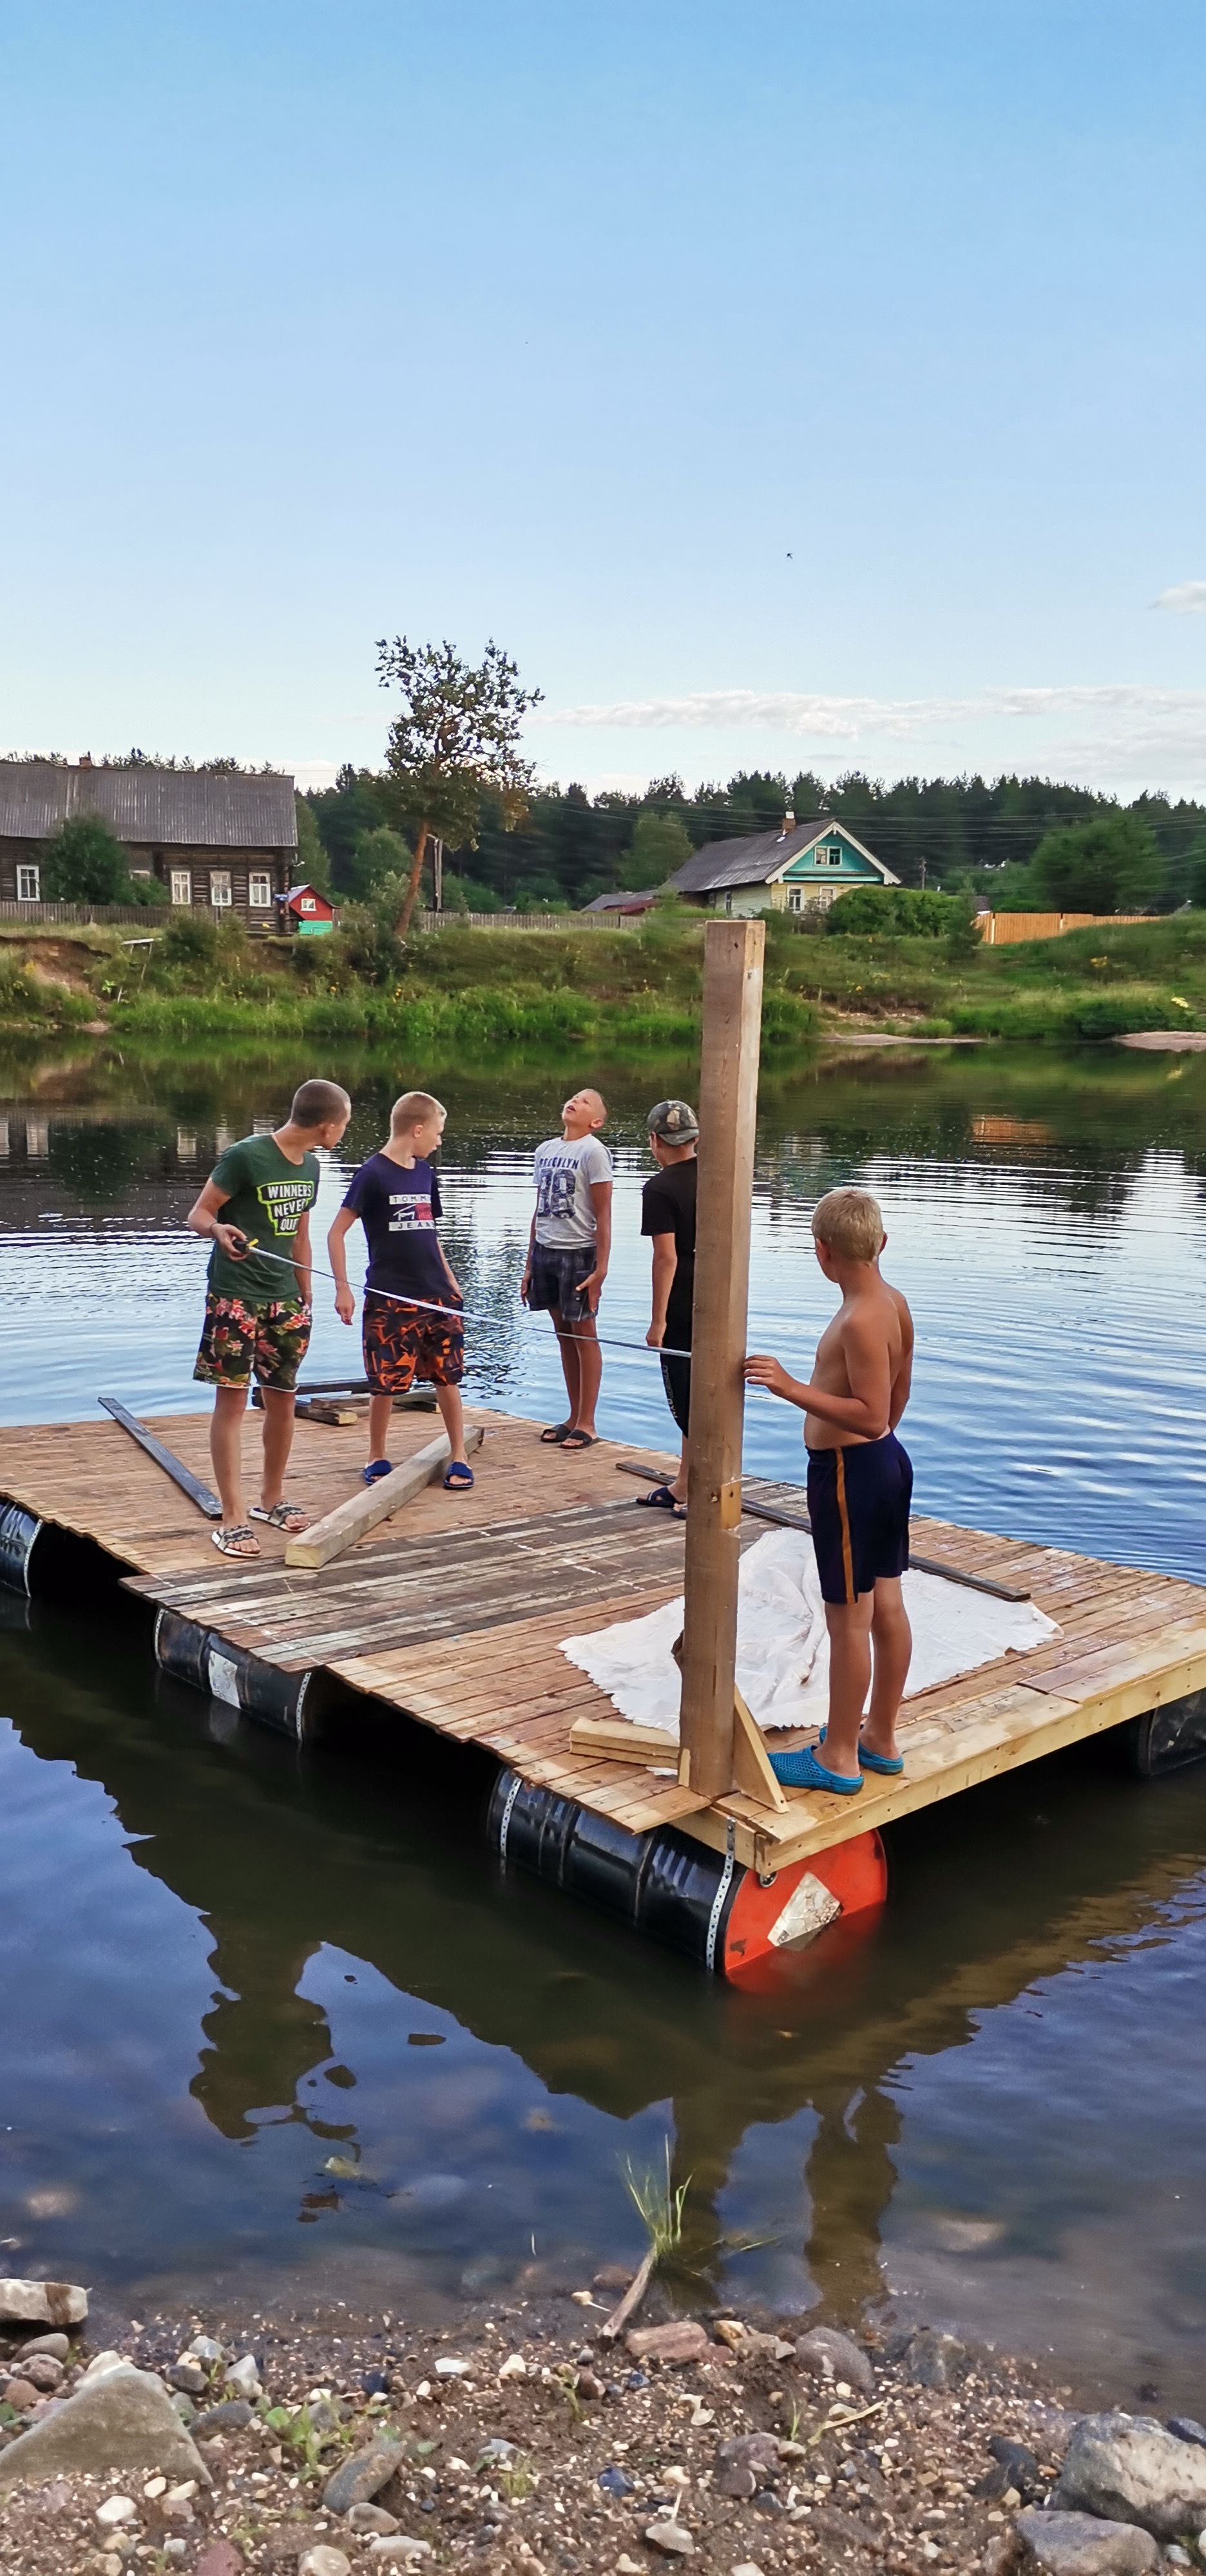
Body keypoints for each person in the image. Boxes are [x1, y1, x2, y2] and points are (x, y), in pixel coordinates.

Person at [743, 1186, 914, 1795]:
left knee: (849, 1618)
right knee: (886, 1604)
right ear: (881, 1243)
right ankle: (880, 1739)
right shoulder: (892, 1301)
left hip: (850, 1475)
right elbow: (897, 1401)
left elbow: (869, 1415)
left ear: (822, 1253)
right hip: (887, 1466)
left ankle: (839, 1756)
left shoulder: (861, 1318)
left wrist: (789, 1387)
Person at [187, 1077, 352, 1558]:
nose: (342, 1133)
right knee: (233, 1404)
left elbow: (300, 1232)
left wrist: (306, 1294)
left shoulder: (313, 1168)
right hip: (235, 1296)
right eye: (343, 1126)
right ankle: (233, 1517)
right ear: (327, 1125)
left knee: (283, 1399)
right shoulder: (246, 1156)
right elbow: (198, 1213)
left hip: (286, 1302)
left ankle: (271, 1499)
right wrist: (218, 1229)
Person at [328, 1090, 473, 1492]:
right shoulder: (372, 1174)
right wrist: (344, 1289)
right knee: (385, 1381)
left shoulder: (426, 1174)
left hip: (438, 1294)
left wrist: (452, 1283)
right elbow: (336, 1232)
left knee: (448, 1377)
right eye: (438, 1133)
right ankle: (376, 1454)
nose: (439, 1141)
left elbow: (432, 1235)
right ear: (418, 1128)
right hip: (391, 1297)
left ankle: (458, 1454)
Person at [522, 1086, 612, 1452]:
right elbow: (539, 1207)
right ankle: (572, 1416)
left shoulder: (594, 1151)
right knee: (562, 1331)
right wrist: (529, 1262)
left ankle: (588, 1422)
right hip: (546, 1249)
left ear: (596, 1121)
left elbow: (604, 1213)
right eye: (574, 1097)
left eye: (586, 1101)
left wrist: (601, 1267)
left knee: (584, 1331)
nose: (575, 1101)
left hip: (579, 1252)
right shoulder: (545, 1150)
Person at [636, 1099, 698, 1517]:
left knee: (687, 1401)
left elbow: (666, 1258)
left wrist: (657, 1320)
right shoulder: (721, 1177)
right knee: (706, 1393)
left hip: (683, 1301)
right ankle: (685, 1483)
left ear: (655, 1141)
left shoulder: (659, 1188)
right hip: (721, 1295)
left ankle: (697, 1491)